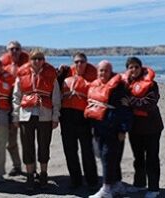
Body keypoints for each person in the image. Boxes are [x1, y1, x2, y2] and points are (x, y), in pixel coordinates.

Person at [12, 49, 60, 191]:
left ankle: (44, 174)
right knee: (27, 146)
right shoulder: (21, 74)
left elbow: (56, 98)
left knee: (44, 145)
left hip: (45, 115)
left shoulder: (51, 74)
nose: (37, 61)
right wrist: (15, 116)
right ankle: (30, 176)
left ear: (44, 60)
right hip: (26, 115)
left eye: (40, 58)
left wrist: (55, 117)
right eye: (34, 59)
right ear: (30, 60)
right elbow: (16, 97)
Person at [85, 60, 132, 198]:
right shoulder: (95, 86)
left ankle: (106, 189)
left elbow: (125, 110)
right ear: (97, 72)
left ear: (110, 72)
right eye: (101, 70)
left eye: (106, 70)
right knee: (109, 156)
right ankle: (117, 184)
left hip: (113, 128)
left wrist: (123, 129)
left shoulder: (119, 88)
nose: (103, 73)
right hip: (99, 128)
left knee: (107, 157)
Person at [123, 57, 163, 198]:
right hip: (135, 128)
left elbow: (149, 103)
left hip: (152, 128)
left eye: (136, 67)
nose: (133, 70)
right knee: (138, 158)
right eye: (130, 67)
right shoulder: (126, 84)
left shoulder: (151, 85)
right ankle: (139, 184)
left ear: (141, 68)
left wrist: (131, 101)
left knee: (152, 158)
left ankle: (154, 188)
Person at [59, 52, 98, 189]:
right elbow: (54, 88)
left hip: (84, 117)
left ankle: (92, 180)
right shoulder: (65, 73)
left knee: (87, 151)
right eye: (76, 62)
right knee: (70, 151)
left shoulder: (95, 75)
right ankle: (76, 180)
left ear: (86, 62)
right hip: (66, 117)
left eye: (82, 61)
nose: (79, 64)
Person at [1, 41, 29, 176]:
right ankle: (17, 166)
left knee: (27, 140)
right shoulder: (3, 67)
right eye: (12, 49)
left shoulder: (29, 65)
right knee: (10, 141)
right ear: (8, 51)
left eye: (17, 49)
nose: (14, 51)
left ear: (21, 50)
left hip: (25, 105)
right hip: (8, 106)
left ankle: (31, 168)